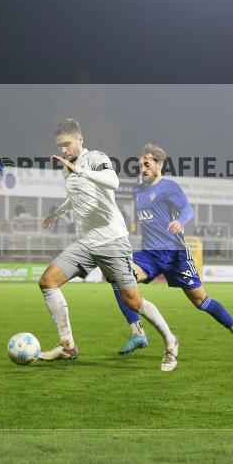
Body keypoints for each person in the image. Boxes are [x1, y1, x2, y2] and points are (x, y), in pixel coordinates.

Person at [38, 119, 179, 371]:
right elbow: (75, 197)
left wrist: (78, 170)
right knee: (47, 282)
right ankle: (67, 345)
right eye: (60, 146)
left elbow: (113, 181)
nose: (63, 150)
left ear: (80, 139)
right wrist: (56, 214)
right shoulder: (66, 168)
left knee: (133, 301)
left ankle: (170, 340)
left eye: (67, 144)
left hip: (112, 241)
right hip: (85, 243)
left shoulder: (96, 158)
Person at [113, 144, 233, 361]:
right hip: (150, 255)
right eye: (141, 165)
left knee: (201, 301)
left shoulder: (169, 187)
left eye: (147, 164)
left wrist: (180, 221)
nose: (143, 169)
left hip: (176, 256)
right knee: (118, 276)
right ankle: (138, 333)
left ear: (159, 164)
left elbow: (188, 209)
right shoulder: (138, 191)